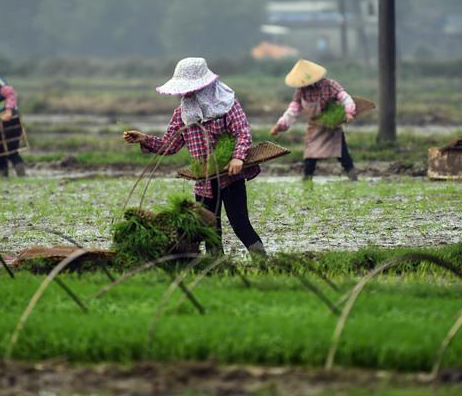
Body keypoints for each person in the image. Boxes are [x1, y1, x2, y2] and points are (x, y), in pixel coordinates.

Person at [122, 57, 266, 256]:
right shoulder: (182, 113)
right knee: (209, 229)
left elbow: (242, 132)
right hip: (204, 180)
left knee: (240, 223)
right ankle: (216, 266)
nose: (187, 93)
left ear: (204, 85)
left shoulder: (226, 104)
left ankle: (262, 261)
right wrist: (144, 139)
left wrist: (238, 157)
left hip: (229, 176)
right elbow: (169, 145)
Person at [270, 59, 358, 182]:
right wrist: (280, 125)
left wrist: (349, 112)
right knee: (310, 157)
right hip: (315, 127)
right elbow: (293, 110)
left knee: (343, 155)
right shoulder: (301, 91)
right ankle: (307, 182)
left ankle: (354, 179)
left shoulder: (329, 85)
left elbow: (345, 98)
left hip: (332, 127)